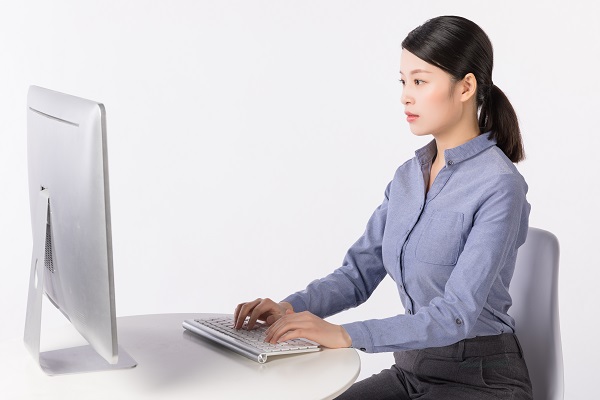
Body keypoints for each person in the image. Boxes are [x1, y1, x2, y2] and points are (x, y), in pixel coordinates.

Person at [234, 15, 533, 399]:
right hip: (411, 373)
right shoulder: (408, 177)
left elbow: (456, 314)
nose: (406, 96)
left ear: (466, 87)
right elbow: (356, 275)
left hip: (481, 381)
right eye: (403, 81)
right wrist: (288, 309)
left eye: (420, 81)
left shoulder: (500, 185)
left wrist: (345, 334)